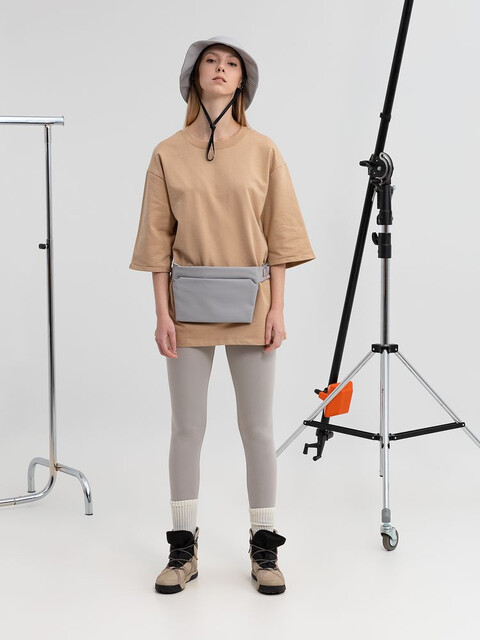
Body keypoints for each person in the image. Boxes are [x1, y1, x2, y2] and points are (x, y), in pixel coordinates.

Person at [129, 35, 316, 595]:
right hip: (186, 307)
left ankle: (264, 548)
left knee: (257, 429)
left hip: (252, 304)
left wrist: (277, 308)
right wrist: (161, 314)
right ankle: (182, 549)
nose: (220, 68)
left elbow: (280, 235)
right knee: (187, 428)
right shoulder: (167, 152)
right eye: (211, 61)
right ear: (194, 75)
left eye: (232, 64)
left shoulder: (264, 150)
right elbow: (156, 240)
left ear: (242, 83)